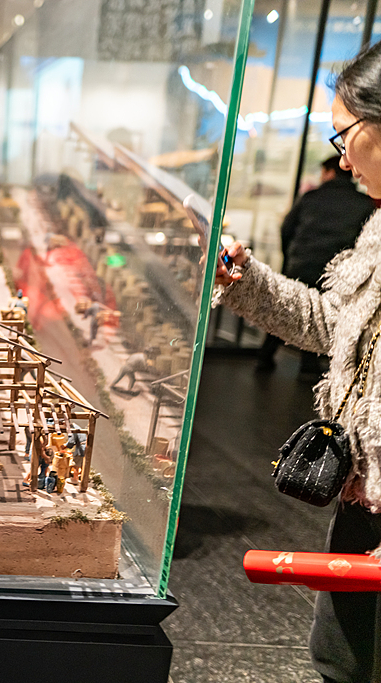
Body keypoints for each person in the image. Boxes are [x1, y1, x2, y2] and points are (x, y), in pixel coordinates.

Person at [215, 42, 381, 683]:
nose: (340, 155)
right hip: (362, 507)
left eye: (345, 134)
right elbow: (334, 327)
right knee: (340, 662)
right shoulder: (378, 227)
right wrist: (245, 279)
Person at [258, 154, 376, 374]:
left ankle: (264, 359)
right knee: (321, 314)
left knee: (287, 308)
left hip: (301, 263)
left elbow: (287, 229)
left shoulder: (311, 197)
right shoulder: (363, 203)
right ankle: (308, 368)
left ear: (330, 173)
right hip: (335, 272)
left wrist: (290, 256)